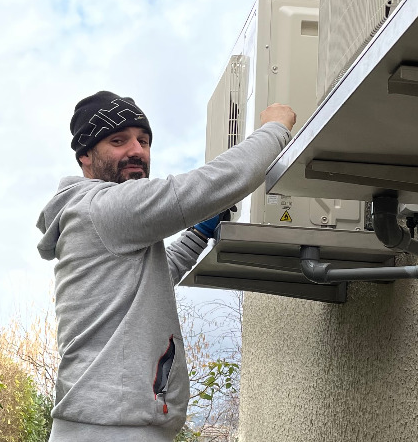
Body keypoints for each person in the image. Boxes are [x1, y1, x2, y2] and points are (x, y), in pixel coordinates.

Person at [36, 90, 296, 441]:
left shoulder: (99, 219)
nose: (136, 151)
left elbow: (156, 275)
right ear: (85, 155)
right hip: (111, 433)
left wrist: (200, 232)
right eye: (118, 140)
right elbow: (214, 183)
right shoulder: (105, 207)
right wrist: (275, 128)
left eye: (143, 141)